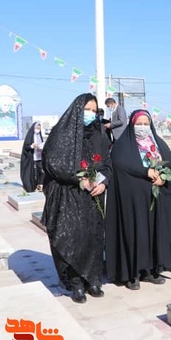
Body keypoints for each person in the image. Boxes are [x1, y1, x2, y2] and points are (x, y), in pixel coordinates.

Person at [105, 110, 171, 290]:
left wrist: (163, 178)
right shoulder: (122, 145)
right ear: (132, 125)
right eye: (139, 124)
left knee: (153, 234)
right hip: (133, 201)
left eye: (146, 124)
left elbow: (170, 164)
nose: (142, 128)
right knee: (136, 234)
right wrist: (145, 172)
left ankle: (151, 270)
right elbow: (120, 164)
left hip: (155, 199)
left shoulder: (157, 143)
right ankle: (132, 274)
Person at [41, 93, 112, 304]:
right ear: (77, 110)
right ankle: (76, 282)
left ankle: (92, 279)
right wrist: (79, 179)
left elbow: (107, 164)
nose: (90, 114)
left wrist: (103, 183)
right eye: (86, 109)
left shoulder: (99, 135)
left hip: (93, 197)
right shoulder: (62, 133)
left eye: (94, 111)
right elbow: (53, 163)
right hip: (69, 196)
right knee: (73, 237)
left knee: (93, 237)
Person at [20, 121, 45, 192]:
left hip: (39, 157)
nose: (38, 129)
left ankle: (40, 184)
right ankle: (32, 186)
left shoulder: (39, 136)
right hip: (32, 157)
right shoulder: (30, 136)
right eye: (37, 128)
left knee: (41, 171)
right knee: (34, 173)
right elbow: (26, 147)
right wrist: (32, 146)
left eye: (39, 128)